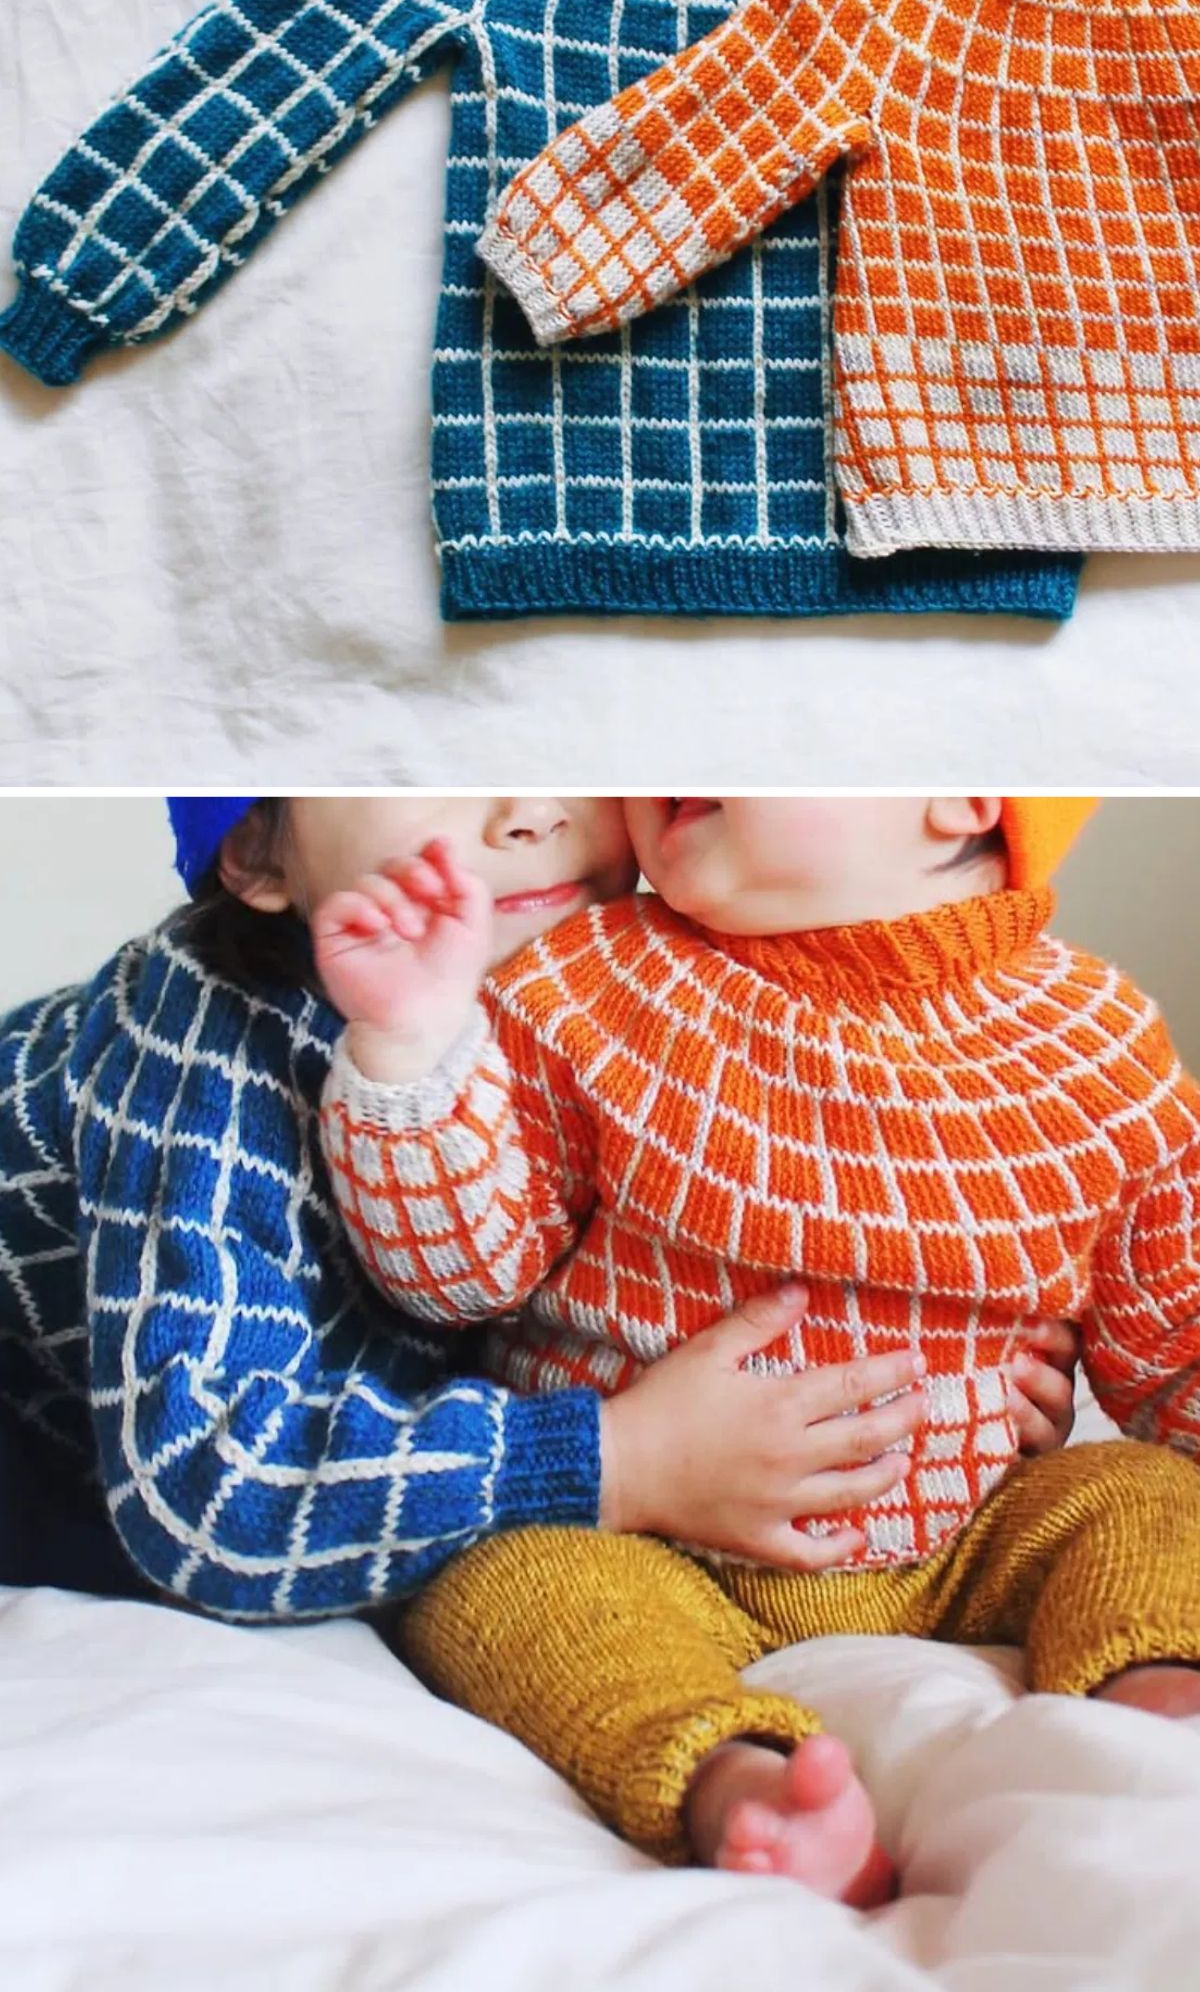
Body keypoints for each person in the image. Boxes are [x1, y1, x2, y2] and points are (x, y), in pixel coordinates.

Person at [311, 795, 1200, 1904]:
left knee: (1147, 1496)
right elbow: (461, 1276)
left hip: (970, 1534)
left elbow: (1172, 1344)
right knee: (500, 1579)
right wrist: (406, 1050)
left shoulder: (1095, 1045)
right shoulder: (585, 984)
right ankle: (733, 1776)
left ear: (968, 792)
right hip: (658, 1547)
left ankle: (1156, 1679)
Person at [1, 795, 1073, 1607]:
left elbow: (703, 1255)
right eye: (433, 765)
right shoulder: (208, 1046)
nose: (528, 813)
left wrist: (955, 1382)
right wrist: (623, 1461)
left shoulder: (627, 981)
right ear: (256, 850)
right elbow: (205, 1486)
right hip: (48, 1457)